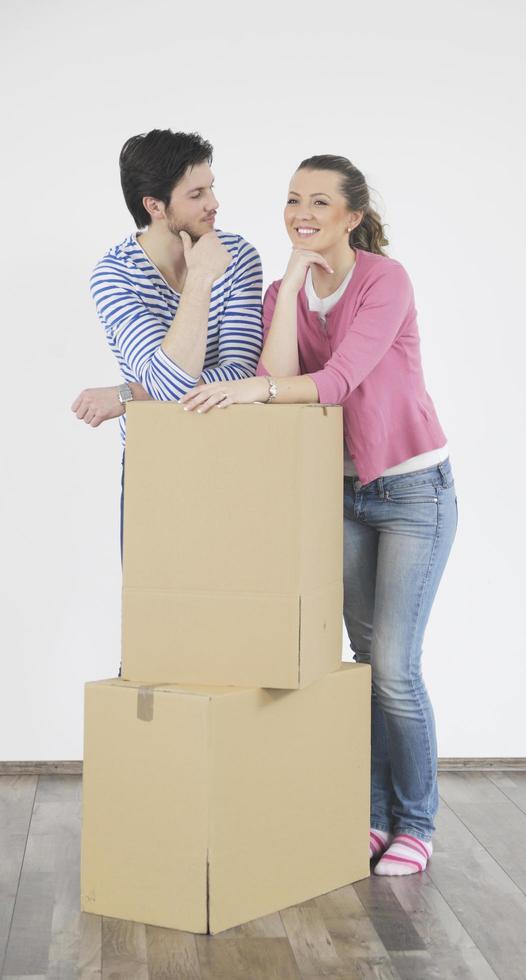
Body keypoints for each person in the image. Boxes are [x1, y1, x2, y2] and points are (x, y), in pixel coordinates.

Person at [179, 155, 458, 878]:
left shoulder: (385, 281)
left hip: (410, 494)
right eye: (294, 200)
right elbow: (274, 377)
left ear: (353, 216)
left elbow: (335, 383)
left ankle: (417, 822)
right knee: (361, 667)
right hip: (337, 493)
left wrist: (256, 394)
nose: (303, 213)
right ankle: (368, 818)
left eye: (321, 202)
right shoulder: (284, 289)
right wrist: (295, 282)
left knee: (395, 668)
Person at [71, 129, 263, 675]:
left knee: (237, 628)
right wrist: (200, 279)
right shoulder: (113, 275)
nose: (215, 203)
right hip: (159, 466)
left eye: (212, 188)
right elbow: (176, 385)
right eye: (197, 194)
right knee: (158, 628)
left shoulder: (241, 257)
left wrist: (130, 393)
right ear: (155, 207)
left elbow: (241, 373)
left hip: (238, 456)